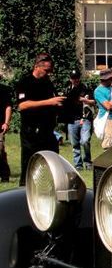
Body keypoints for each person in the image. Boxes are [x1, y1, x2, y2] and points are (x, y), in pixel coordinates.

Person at [15, 53, 66, 185]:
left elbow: (52, 101)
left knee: (53, 162)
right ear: (37, 66)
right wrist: (49, 102)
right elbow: (22, 105)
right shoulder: (25, 82)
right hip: (31, 132)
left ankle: (51, 187)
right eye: (46, 70)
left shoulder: (47, 83)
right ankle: (25, 190)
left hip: (47, 131)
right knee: (30, 164)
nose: (49, 73)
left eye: (51, 71)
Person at [62, 69, 95, 170]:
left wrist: (85, 100)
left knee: (85, 141)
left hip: (85, 118)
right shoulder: (67, 90)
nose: (75, 80)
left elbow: (94, 102)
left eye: (76, 78)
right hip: (72, 120)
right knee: (75, 144)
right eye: (73, 78)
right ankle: (78, 165)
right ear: (70, 79)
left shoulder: (86, 89)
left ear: (79, 78)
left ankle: (88, 162)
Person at [0, 75, 12, 182]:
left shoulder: (4, 90)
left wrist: (6, 123)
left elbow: (8, 107)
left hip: (0, 126)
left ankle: (4, 175)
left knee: (0, 150)